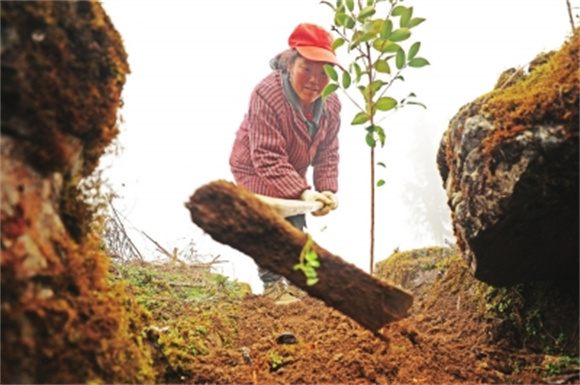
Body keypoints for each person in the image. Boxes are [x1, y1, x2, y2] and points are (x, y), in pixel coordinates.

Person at [229, 22, 342, 304]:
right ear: (290, 64)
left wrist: (325, 189)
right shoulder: (266, 95)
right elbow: (267, 157)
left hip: (292, 168)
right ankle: (274, 286)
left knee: (295, 221)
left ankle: (296, 279)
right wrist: (304, 192)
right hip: (254, 164)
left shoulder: (331, 104)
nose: (315, 80)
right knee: (271, 219)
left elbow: (329, 149)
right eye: (307, 69)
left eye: (323, 72)